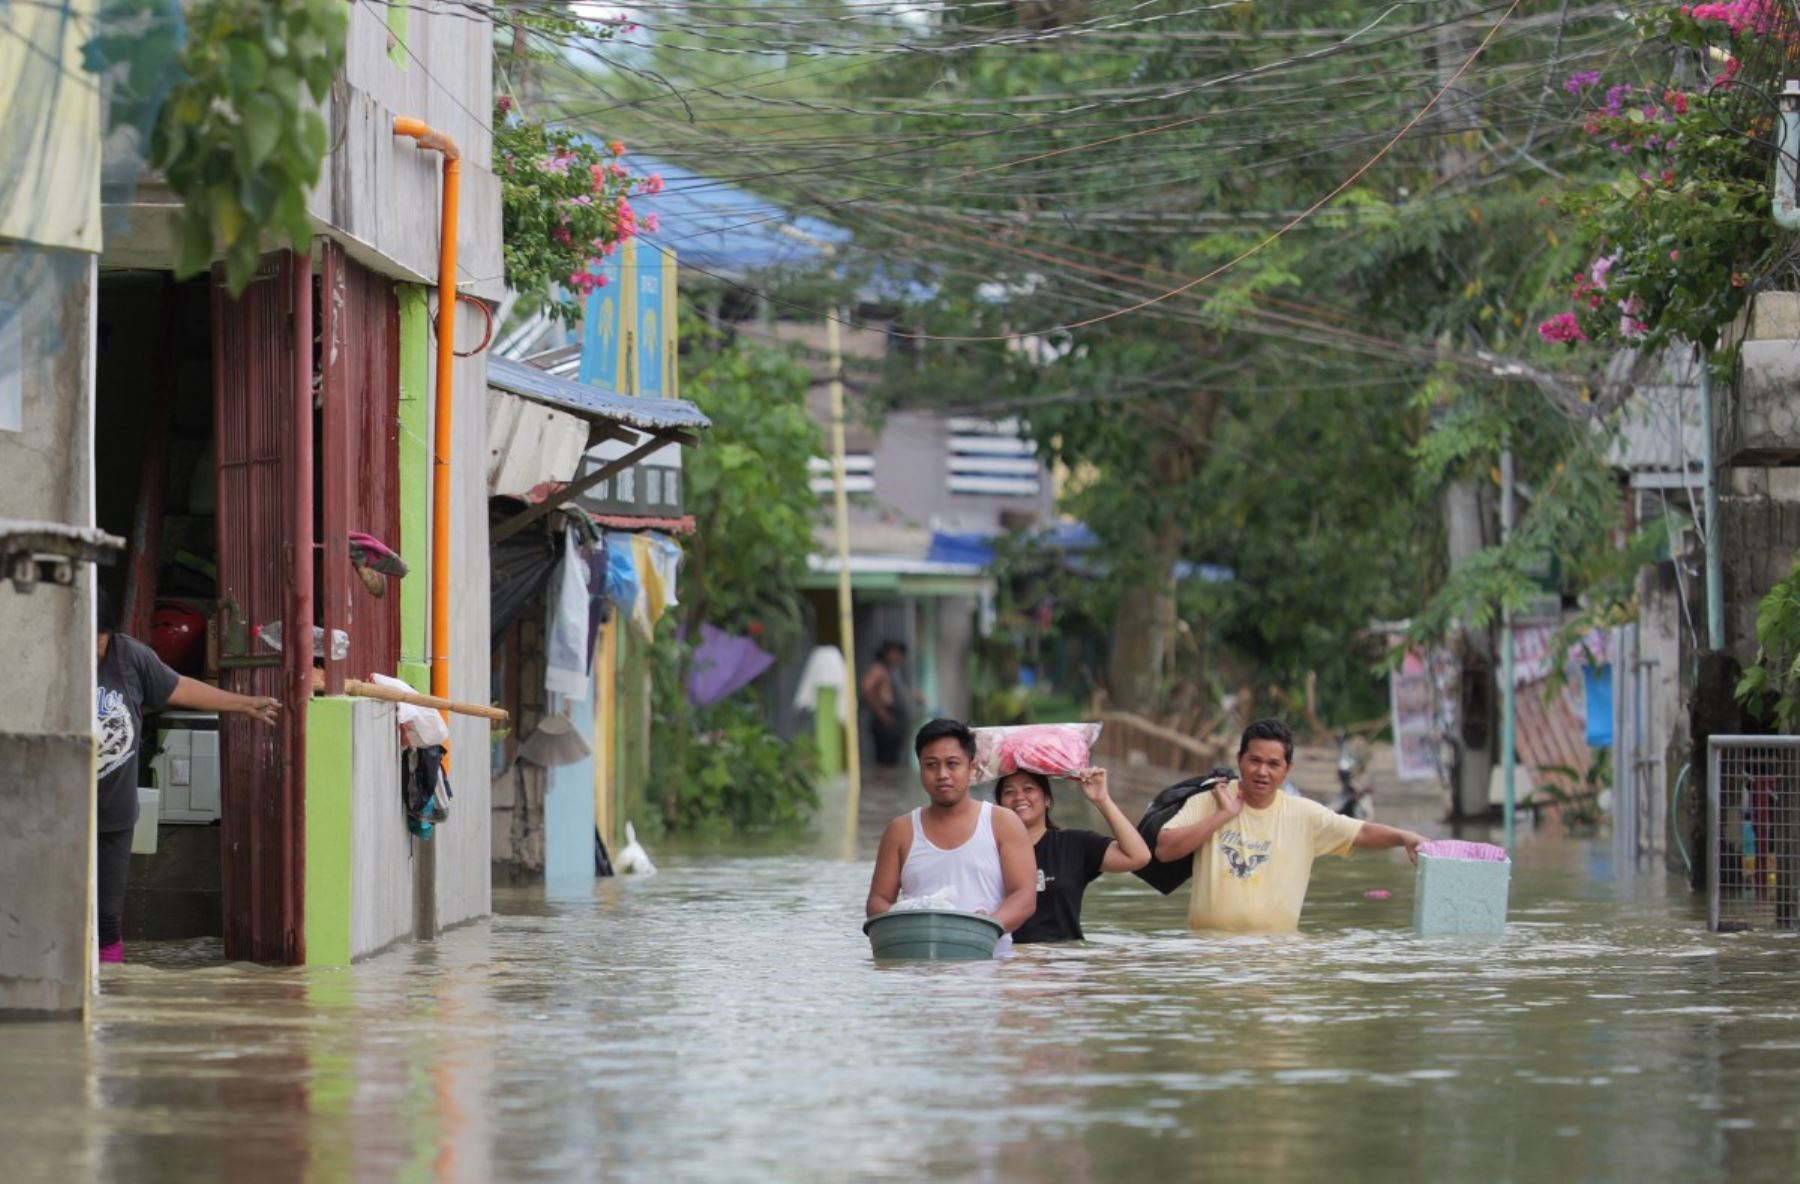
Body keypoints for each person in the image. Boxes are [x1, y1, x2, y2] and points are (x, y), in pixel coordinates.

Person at [95, 589, 279, 963]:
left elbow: (177, 687)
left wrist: (243, 704)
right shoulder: (41, 657)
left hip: (111, 815)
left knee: (106, 919)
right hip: (50, 814)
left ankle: (105, 999)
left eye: (99, 638)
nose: (94, 648)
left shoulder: (129, 656)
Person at [1154, 717, 1426, 933]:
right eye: (1255, 761)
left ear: (1287, 770)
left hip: (1277, 959)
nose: (1262, 772)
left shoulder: (1303, 815)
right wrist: (1223, 815)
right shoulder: (1210, 799)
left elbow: (1362, 832)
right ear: (1239, 760)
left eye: (1273, 764)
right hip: (1207, 958)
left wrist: (1405, 837)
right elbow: (1164, 850)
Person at [866, 718, 1038, 950]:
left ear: (972, 767)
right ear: (920, 768)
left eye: (953, 764)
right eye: (931, 765)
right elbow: (878, 901)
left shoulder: (1003, 823)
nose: (942, 774)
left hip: (989, 967)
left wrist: (984, 927)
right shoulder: (900, 831)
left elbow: (1025, 896)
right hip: (918, 969)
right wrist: (906, 920)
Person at [996, 766, 1152, 943]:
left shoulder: (1073, 845)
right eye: (1009, 792)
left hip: (1064, 962)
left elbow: (1138, 857)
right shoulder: (987, 852)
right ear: (999, 806)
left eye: (1028, 789)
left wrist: (1102, 800)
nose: (1019, 797)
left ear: (1047, 799)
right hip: (1008, 960)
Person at [859, 640, 922, 768]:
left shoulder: (895, 671)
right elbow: (866, 687)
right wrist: (881, 712)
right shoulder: (879, 669)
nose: (896, 656)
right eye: (893, 652)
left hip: (898, 717)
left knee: (894, 756)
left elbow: (902, 691)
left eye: (898, 653)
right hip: (886, 716)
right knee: (885, 757)